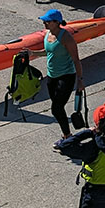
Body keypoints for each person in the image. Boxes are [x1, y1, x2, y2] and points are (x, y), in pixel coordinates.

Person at [28, 8, 83, 137]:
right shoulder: (48, 34)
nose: (44, 23)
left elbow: (76, 59)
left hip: (66, 76)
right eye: (44, 21)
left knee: (56, 109)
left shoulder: (66, 38)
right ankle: (67, 135)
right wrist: (33, 53)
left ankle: (67, 136)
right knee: (58, 107)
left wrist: (80, 81)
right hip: (52, 76)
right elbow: (48, 51)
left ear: (57, 22)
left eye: (47, 21)